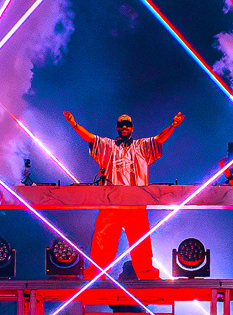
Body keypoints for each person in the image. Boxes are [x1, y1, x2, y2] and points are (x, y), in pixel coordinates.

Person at [63, 109, 184, 280]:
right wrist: (74, 125)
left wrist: (172, 126)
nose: (124, 127)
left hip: (135, 203)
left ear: (132, 128)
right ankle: (96, 276)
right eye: (121, 125)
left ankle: (147, 276)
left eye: (127, 125)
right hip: (111, 202)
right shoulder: (108, 146)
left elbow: (159, 139)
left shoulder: (142, 146)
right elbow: (90, 138)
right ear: (117, 128)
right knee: (102, 241)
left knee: (141, 242)